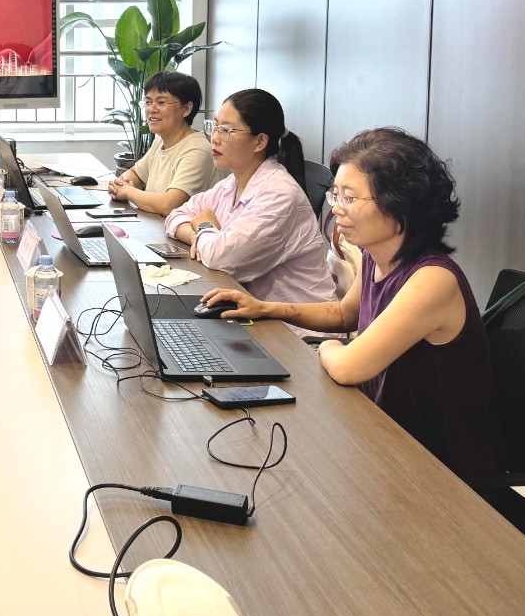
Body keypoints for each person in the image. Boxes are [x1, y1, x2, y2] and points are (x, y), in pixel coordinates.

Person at [198, 127, 497, 479]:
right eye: (336, 195)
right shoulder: (377, 255)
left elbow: (347, 368)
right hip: (382, 432)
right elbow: (343, 314)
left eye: (351, 199)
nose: (337, 209)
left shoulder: (432, 280)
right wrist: (264, 308)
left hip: (437, 467)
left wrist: (327, 347)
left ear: (400, 203)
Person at [165, 89, 334, 307]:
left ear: (259, 141)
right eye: (214, 127)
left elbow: (221, 258)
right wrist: (199, 237)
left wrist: (205, 226)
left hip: (292, 324)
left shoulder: (280, 195)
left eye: (226, 130)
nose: (214, 138)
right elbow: (176, 216)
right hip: (247, 308)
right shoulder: (232, 183)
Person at [107, 71, 217, 216]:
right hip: (155, 225)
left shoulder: (198, 150)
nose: (151, 109)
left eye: (161, 102)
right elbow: (136, 173)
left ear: (186, 109)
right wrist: (120, 185)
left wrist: (127, 191)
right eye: (148, 102)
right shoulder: (160, 140)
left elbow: (168, 205)